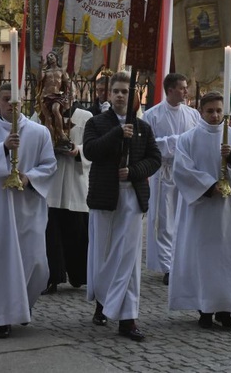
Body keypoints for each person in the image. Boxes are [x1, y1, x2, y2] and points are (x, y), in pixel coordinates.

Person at [0, 83, 57, 339]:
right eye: (6, 100)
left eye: (15, 101)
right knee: (3, 263)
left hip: (28, 204)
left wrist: (30, 178)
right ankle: (4, 318)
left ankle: (22, 305)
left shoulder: (39, 132)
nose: (11, 106)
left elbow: (49, 165)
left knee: (38, 264)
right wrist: (3, 148)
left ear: (24, 102)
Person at [83, 71, 161, 341]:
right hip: (105, 198)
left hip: (132, 198)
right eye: (115, 90)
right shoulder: (96, 123)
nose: (119, 95)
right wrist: (117, 133)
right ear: (108, 93)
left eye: (125, 92)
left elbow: (155, 158)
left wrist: (134, 171)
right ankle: (103, 302)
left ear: (133, 96)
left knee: (128, 259)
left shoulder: (143, 127)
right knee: (104, 254)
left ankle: (128, 318)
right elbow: (90, 151)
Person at [169, 91, 231, 329]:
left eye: (219, 110)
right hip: (201, 210)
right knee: (203, 259)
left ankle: (226, 309)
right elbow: (181, 169)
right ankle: (204, 308)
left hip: (229, 211)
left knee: (228, 259)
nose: (215, 115)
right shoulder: (188, 139)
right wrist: (209, 186)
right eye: (210, 111)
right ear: (201, 111)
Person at [141, 73, 200, 285]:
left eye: (186, 87)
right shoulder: (152, 115)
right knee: (164, 219)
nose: (186, 91)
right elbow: (148, 144)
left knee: (183, 218)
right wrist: (176, 142)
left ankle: (183, 261)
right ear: (171, 90)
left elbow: (197, 140)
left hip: (185, 171)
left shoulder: (193, 115)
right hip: (163, 172)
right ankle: (167, 266)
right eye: (182, 88)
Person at [38, 104, 92, 295]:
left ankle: (79, 275)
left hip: (74, 181)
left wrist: (78, 151)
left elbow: (92, 146)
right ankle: (51, 277)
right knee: (50, 233)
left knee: (77, 230)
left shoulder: (85, 116)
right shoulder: (40, 116)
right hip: (51, 182)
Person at [36, 50, 72, 150]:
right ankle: (51, 140)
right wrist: (40, 67)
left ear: (56, 57)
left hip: (57, 95)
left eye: (52, 56)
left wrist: (71, 93)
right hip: (45, 95)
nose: (50, 58)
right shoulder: (45, 71)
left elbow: (68, 83)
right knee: (48, 118)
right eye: (48, 57)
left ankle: (61, 133)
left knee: (56, 109)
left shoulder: (61, 71)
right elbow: (39, 79)